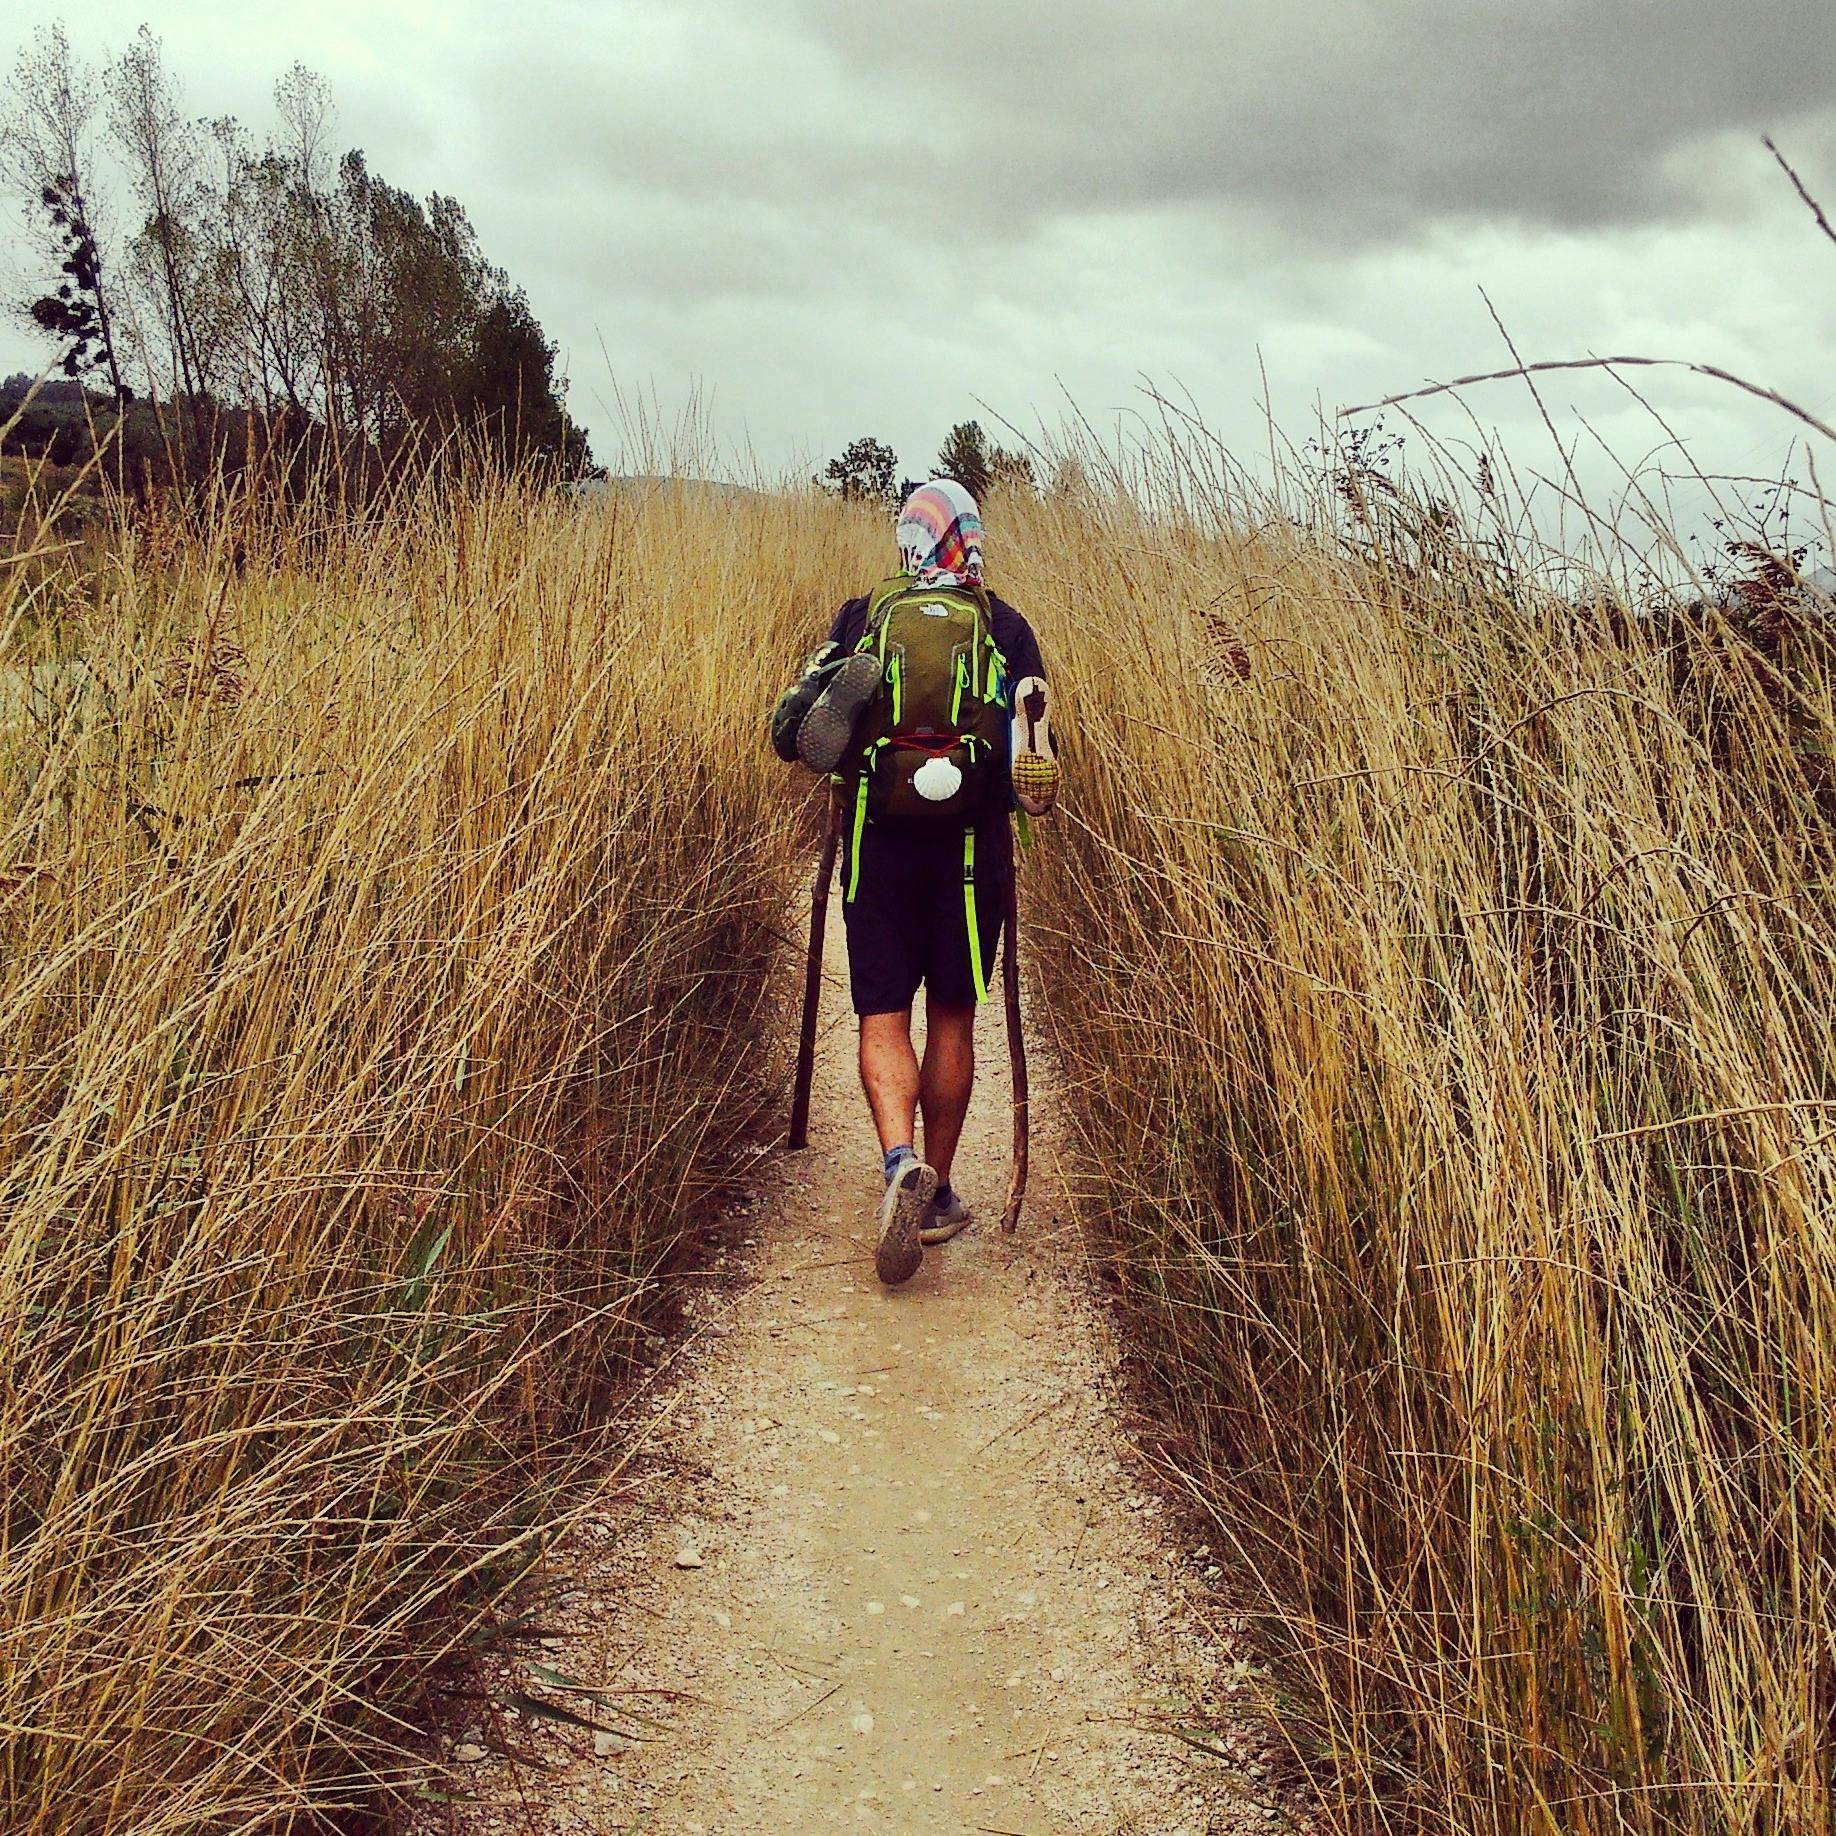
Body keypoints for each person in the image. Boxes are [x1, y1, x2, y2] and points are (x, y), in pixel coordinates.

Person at [772, 480, 1058, 1286]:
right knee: (954, 1016)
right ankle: (935, 1193)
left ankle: (898, 1160)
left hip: (876, 839)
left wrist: (820, 714)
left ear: (907, 540)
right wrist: (1016, 750)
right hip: (970, 848)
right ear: (972, 539)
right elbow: (1032, 768)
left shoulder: (863, 616)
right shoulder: (1004, 626)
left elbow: (793, 743)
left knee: (883, 1013)